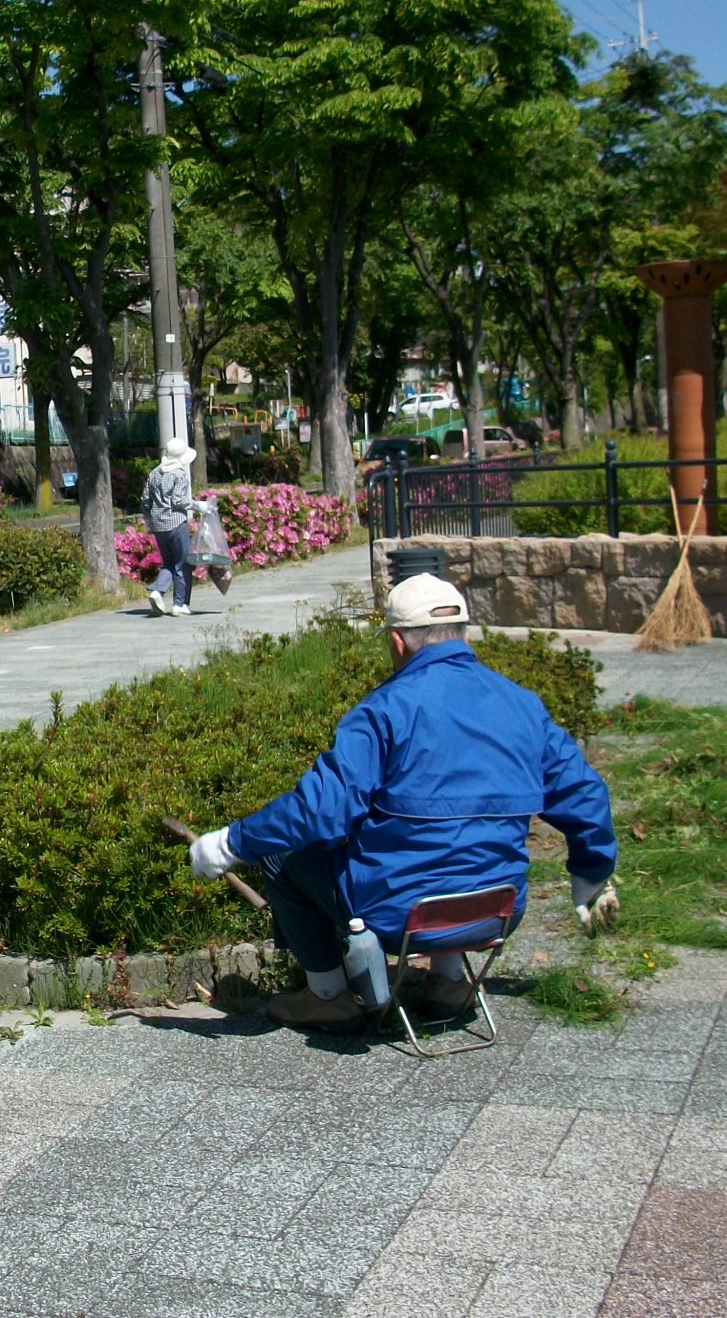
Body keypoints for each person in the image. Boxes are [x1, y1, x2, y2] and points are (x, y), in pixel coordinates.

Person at [187, 573, 621, 1029]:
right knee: (457, 843)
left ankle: (329, 995)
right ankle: (449, 982)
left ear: (397, 642)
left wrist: (231, 842)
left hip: (398, 916)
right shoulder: (522, 705)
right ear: (463, 634)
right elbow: (585, 793)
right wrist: (591, 871)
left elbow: (318, 812)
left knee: (279, 853)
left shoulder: (383, 712)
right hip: (498, 910)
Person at [140, 438, 198, 617]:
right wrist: (197, 505)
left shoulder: (155, 473)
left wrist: (150, 520)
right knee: (183, 563)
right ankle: (179, 603)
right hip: (176, 523)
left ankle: (158, 591)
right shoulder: (180, 475)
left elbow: (145, 500)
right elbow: (179, 501)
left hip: (159, 525)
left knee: (169, 562)